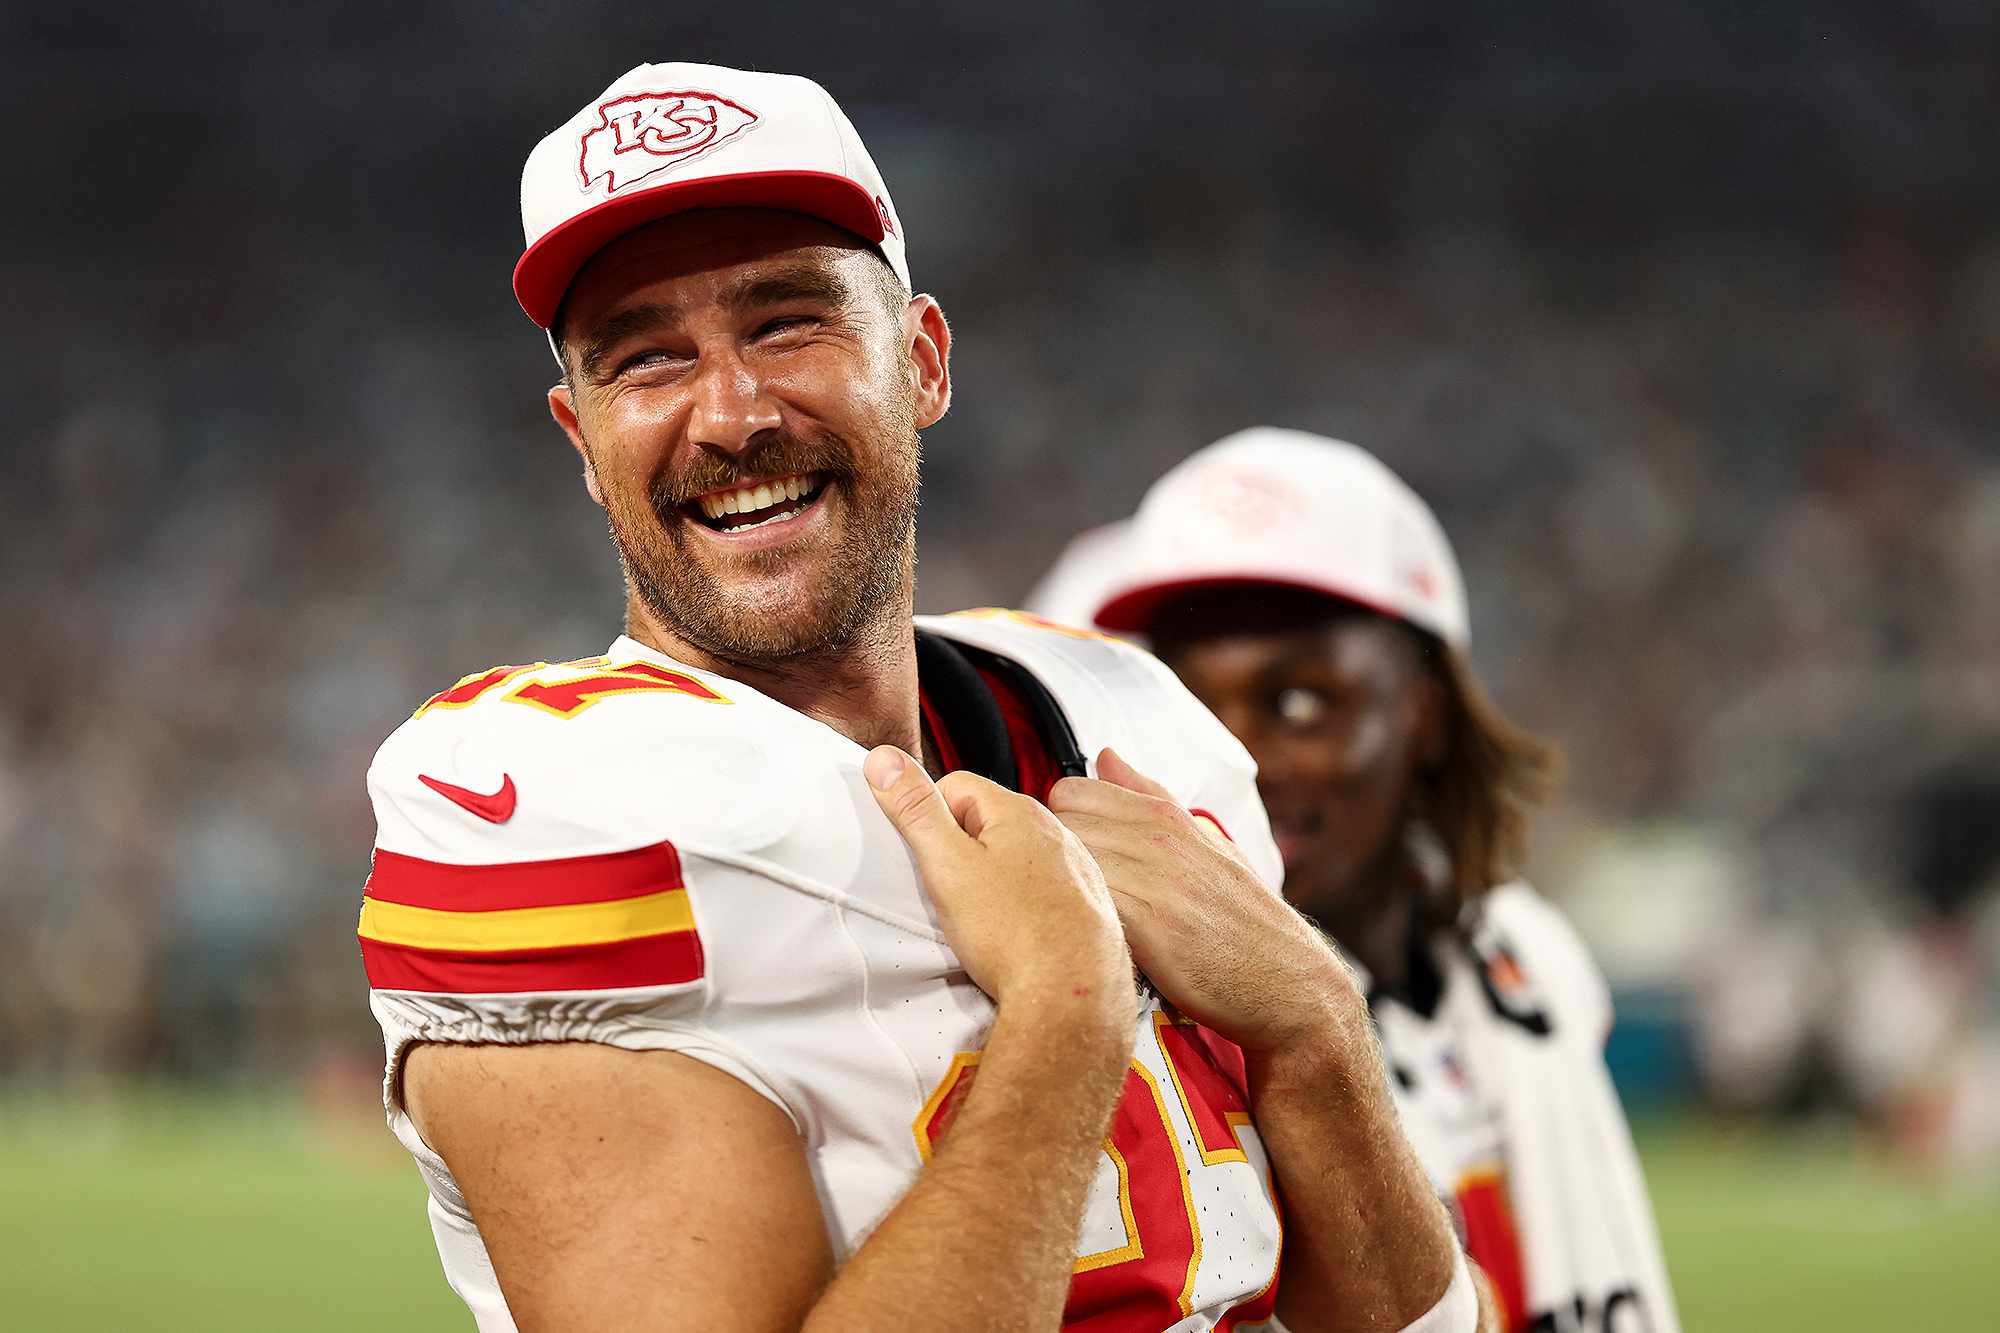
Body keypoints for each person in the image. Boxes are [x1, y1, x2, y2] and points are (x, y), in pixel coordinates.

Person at [357, 65, 1487, 1332]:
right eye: (647, 360)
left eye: (787, 324)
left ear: (923, 362)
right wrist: (1065, 1011)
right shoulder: (558, 811)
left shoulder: (1136, 721)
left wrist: (1319, 1026)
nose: (728, 415)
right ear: (581, 438)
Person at [1038, 428, 1681, 1333]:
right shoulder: (1139, 1051)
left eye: (1300, 701)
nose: (1233, 759)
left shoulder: (1524, 948)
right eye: (1181, 701)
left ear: (1424, 709)